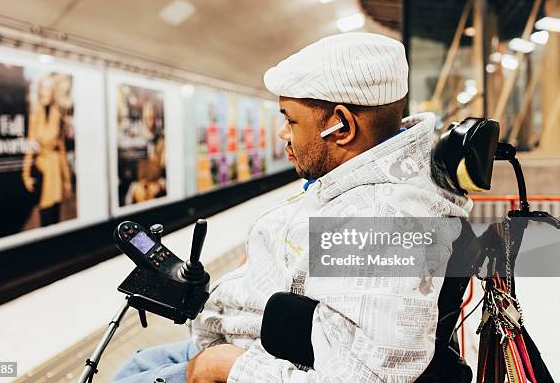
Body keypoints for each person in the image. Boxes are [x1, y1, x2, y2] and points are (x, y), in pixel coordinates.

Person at [113, 32, 471, 382]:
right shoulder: (363, 174)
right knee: (138, 361)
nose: (283, 133)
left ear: (341, 125)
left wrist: (224, 367)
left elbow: (365, 375)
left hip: (252, 357)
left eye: (290, 119)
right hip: (246, 339)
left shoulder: (384, 219)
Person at [22, 74, 73, 226]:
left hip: (55, 170)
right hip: (42, 169)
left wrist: (67, 180)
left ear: (53, 93)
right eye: (42, 89)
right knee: (44, 213)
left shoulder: (58, 116)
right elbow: (30, 148)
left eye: (48, 89)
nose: (44, 92)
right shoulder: (34, 116)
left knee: (55, 214)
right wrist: (25, 175)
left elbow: (62, 151)